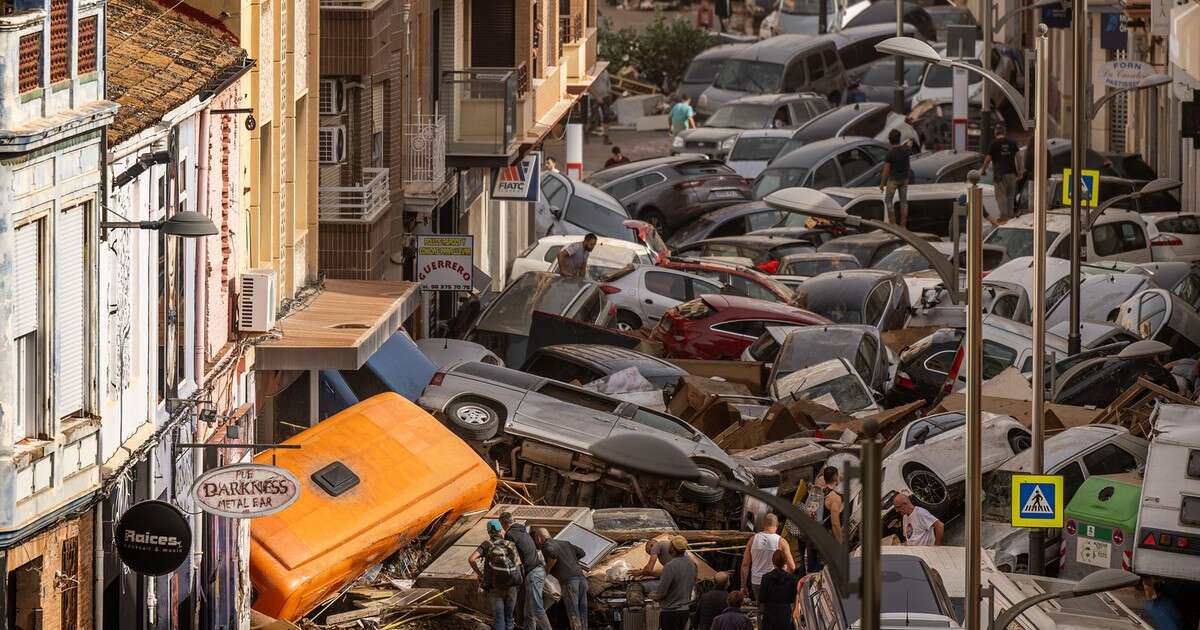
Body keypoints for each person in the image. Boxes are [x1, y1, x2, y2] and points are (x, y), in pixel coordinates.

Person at [499, 512, 552, 630]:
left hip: (533, 573)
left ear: (503, 523)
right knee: (529, 612)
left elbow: (513, 558)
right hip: (537, 571)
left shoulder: (510, 534)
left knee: (537, 607)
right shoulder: (523, 531)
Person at [468, 520, 523, 630]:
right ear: (500, 530)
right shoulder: (509, 544)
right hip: (511, 585)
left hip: (495, 586)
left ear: (489, 532)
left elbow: (471, 559)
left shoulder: (487, 544)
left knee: (499, 618)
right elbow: (519, 563)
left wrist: (480, 575)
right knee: (509, 617)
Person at [535, 528, 588, 630]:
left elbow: (553, 556)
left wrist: (547, 570)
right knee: (582, 613)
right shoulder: (565, 543)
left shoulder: (546, 545)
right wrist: (570, 562)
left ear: (538, 538)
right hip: (582, 579)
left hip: (569, 582)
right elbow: (581, 553)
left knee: (574, 614)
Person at [740, 513, 795, 601]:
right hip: (775, 581)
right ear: (777, 525)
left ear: (763, 524)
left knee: (761, 607)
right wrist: (783, 577)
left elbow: (745, 565)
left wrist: (743, 585)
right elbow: (792, 567)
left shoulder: (752, 539)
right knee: (774, 606)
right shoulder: (781, 541)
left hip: (756, 581)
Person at [652, 536, 698, 630]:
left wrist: (653, 595)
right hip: (685, 611)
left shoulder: (670, 566)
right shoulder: (692, 564)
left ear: (672, 548)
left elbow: (662, 592)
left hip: (670, 613)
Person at [981, 124, 1021, 221]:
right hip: (1012, 173)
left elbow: (988, 158)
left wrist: (983, 170)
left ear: (995, 133)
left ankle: (1004, 217)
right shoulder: (1012, 143)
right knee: (1011, 196)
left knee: (1001, 196)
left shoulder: (994, 144)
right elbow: (1019, 157)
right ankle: (1010, 216)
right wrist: (1020, 170)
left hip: (1000, 175)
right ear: (1004, 132)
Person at [757, 550, 799, 630]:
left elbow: (761, 598)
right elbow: (793, 598)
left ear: (773, 562)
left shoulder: (766, 577)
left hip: (770, 611)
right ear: (785, 562)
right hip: (785, 611)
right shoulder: (792, 578)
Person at [880, 129, 912, 228]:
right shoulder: (906, 150)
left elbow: (886, 171)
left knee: (888, 200)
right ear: (899, 139)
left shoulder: (890, 154)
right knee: (903, 201)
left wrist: (882, 183)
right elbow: (910, 142)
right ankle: (903, 225)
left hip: (893, 180)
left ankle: (893, 223)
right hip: (905, 179)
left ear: (890, 140)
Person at [822, 466, 844, 545]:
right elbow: (835, 523)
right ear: (835, 477)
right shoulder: (835, 497)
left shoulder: (822, 490)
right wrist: (840, 541)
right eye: (838, 475)